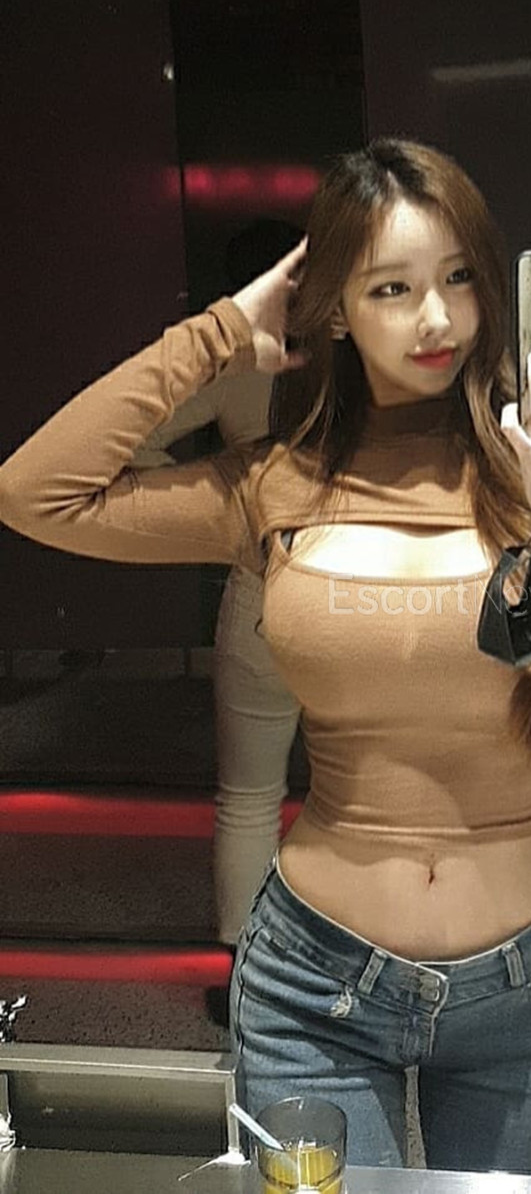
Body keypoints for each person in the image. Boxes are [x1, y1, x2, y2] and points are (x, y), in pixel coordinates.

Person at [0, 139, 531, 1176]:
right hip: (312, 984)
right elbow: (35, 493)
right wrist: (222, 330)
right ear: (336, 309)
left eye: (458, 278)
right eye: (391, 288)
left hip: (523, 994)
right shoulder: (277, 484)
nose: (436, 319)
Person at [131, 221, 304, 956]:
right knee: (368, 792)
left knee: (249, 797)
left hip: (263, 586)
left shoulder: (236, 368)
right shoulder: (369, 360)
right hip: (359, 594)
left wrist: (220, 504)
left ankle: (243, 969)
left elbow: (134, 440)